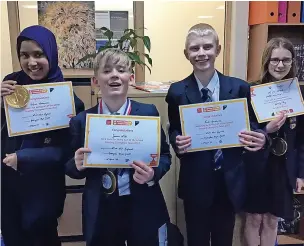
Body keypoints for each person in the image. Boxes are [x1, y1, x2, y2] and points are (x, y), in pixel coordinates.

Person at [165, 23, 267, 246]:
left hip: (228, 180)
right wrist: (176, 141)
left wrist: (261, 137)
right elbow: (174, 127)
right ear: (186, 54)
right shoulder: (177, 92)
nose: (201, 53)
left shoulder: (239, 88)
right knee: (197, 239)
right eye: (195, 48)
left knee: (224, 239)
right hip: (195, 181)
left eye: (207, 47)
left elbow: (254, 125)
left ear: (218, 49)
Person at [65, 48, 172, 246]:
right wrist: (77, 164)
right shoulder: (82, 121)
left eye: (121, 70)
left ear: (130, 79)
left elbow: (165, 156)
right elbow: (69, 166)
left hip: (141, 203)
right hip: (102, 206)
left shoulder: (148, 113)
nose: (114, 75)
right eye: (106, 71)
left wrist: (152, 174)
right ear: (95, 82)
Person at [1, 25, 84, 246]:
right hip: (8, 189)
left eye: (39, 54)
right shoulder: (10, 86)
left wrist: (24, 157)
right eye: (24, 55)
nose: (31, 62)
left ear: (51, 54)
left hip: (42, 191)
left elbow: (64, 153)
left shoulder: (67, 99)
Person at [244, 37, 304, 246]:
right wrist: (265, 129)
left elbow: (302, 139)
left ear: (292, 62)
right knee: (254, 218)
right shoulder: (251, 91)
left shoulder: (298, 93)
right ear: (266, 62)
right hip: (256, 164)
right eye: (275, 60)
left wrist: (301, 173)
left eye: (286, 60)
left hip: (283, 166)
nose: (280, 65)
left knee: (272, 219)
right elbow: (244, 128)